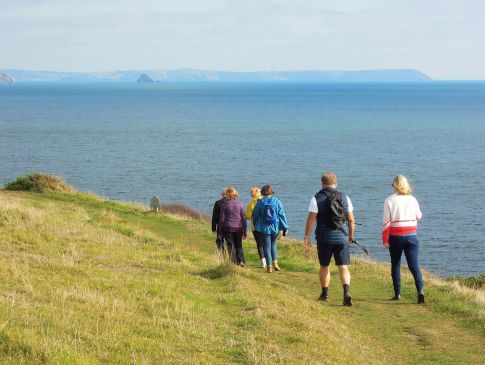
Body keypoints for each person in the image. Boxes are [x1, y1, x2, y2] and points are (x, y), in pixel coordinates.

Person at [303, 172, 355, 307]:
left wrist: (307, 236)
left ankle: (325, 294)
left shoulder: (316, 198)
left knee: (324, 266)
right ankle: (346, 293)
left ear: (322, 184)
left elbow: (311, 219)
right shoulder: (345, 197)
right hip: (341, 238)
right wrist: (350, 235)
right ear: (335, 183)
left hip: (324, 238)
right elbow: (351, 220)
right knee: (343, 267)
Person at [382, 175, 424, 304]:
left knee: (396, 264)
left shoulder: (389, 200)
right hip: (411, 236)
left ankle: (398, 293)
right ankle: (420, 291)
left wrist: (385, 239)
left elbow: (386, 222)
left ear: (394, 185)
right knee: (414, 265)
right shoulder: (412, 199)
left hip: (395, 237)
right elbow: (419, 216)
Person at [252, 185, 288, 273]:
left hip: (264, 227)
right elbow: (282, 215)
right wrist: (284, 226)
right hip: (275, 226)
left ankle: (269, 267)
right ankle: (275, 263)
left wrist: (255, 223)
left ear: (262, 193)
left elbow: (255, 215)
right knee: (274, 244)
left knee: (267, 246)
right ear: (271, 192)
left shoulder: (260, 203)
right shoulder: (277, 202)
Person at [219, 187, 247, 266]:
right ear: (235, 195)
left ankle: (233, 262)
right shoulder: (240, 204)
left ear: (227, 195)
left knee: (230, 244)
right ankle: (241, 261)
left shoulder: (224, 205)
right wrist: (245, 231)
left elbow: (222, 219)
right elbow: (243, 218)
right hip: (239, 228)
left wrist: (220, 231)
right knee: (239, 245)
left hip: (228, 227)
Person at [245, 187, 266, 268]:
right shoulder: (266, 201)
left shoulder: (251, 203)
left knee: (259, 244)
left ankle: (263, 260)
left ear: (253, 194)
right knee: (266, 243)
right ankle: (269, 260)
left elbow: (248, 216)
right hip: (267, 226)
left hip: (256, 227)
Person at [212, 188, 228, 254]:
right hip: (230, 225)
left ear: (222, 194)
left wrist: (213, 227)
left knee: (219, 240)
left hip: (220, 225)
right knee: (229, 241)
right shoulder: (233, 202)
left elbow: (215, 216)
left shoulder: (218, 203)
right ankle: (230, 255)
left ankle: (222, 252)